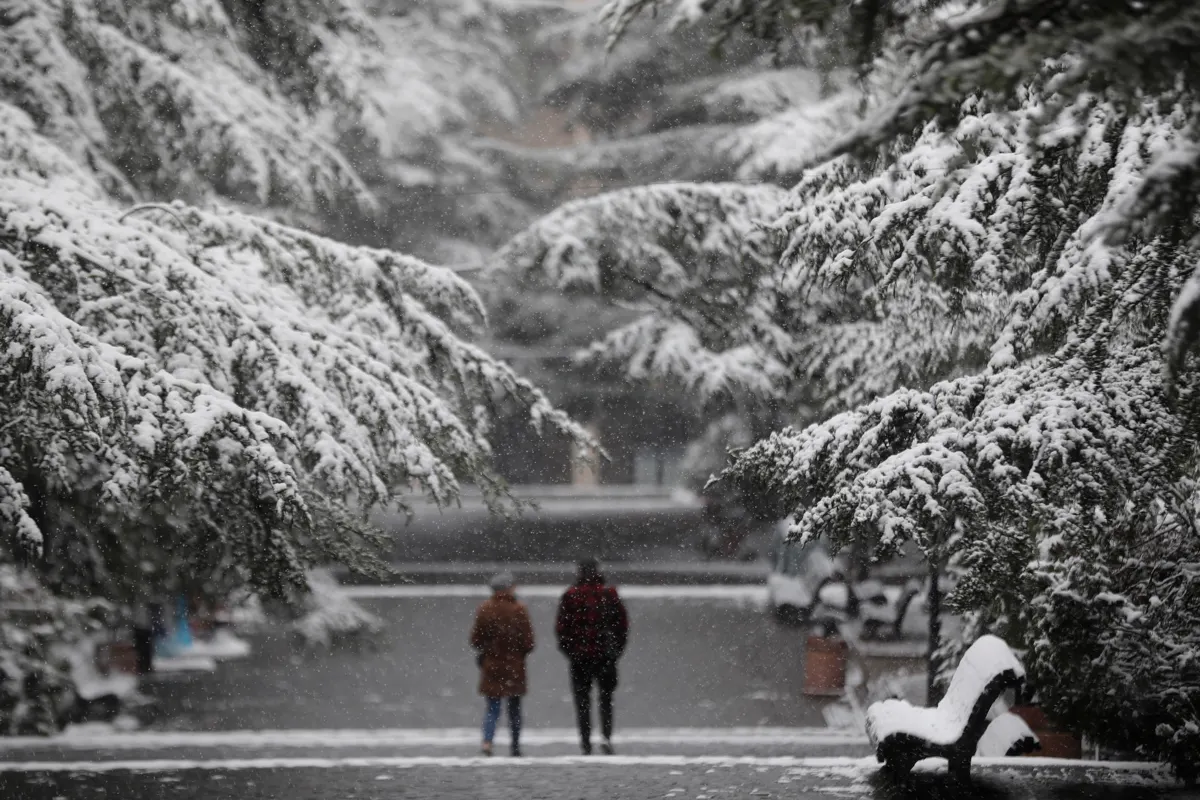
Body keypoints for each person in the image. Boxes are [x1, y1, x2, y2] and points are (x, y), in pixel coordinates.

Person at [555, 558, 629, 755]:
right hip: (606, 656)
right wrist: (616, 651)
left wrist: (570, 651)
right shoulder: (609, 594)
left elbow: (562, 628)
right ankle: (606, 737)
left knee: (582, 701)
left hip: (580, 657)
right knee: (606, 698)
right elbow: (622, 626)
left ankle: (586, 742)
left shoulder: (571, 596)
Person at [470, 572, 534, 757]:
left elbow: (475, 640)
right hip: (515, 666)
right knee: (515, 708)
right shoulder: (519, 609)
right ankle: (515, 745)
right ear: (509, 588)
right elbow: (529, 642)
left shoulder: (485, 609)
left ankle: (487, 743)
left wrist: (489, 650)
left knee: (492, 708)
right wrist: (518, 653)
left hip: (492, 665)